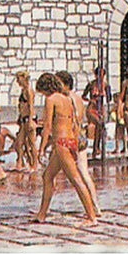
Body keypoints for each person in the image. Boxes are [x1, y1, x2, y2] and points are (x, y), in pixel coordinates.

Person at [33, 73, 98, 226]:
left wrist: (41, 148)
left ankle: (91, 217)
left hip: (61, 143)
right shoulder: (67, 99)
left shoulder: (51, 100)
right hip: (70, 141)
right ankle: (42, 214)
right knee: (47, 176)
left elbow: (48, 126)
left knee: (76, 179)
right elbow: (75, 123)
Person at [58, 71, 99, 214]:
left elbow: (73, 121)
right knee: (84, 173)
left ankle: (91, 210)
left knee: (74, 176)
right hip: (81, 136)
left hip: (71, 138)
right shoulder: (78, 99)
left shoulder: (68, 99)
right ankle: (95, 206)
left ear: (65, 84)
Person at [82, 68, 111, 162]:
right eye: (98, 75)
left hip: (100, 108)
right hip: (92, 108)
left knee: (100, 128)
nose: (100, 77)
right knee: (98, 124)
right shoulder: (91, 84)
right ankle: (96, 148)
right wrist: (91, 100)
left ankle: (96, 148)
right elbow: (83, 96)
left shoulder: (106, 85)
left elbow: (109, 98)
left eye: (102, 75)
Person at [14, 71, 37, 173]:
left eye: (19, 79)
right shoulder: (24, 90)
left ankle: (35, 165)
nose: (17, 81)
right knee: (19, 143)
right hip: (24, 119)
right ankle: (21, 162)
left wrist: (31, 120)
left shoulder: (29, 90)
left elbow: (31, 106)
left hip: (29, 118)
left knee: (32, 143)